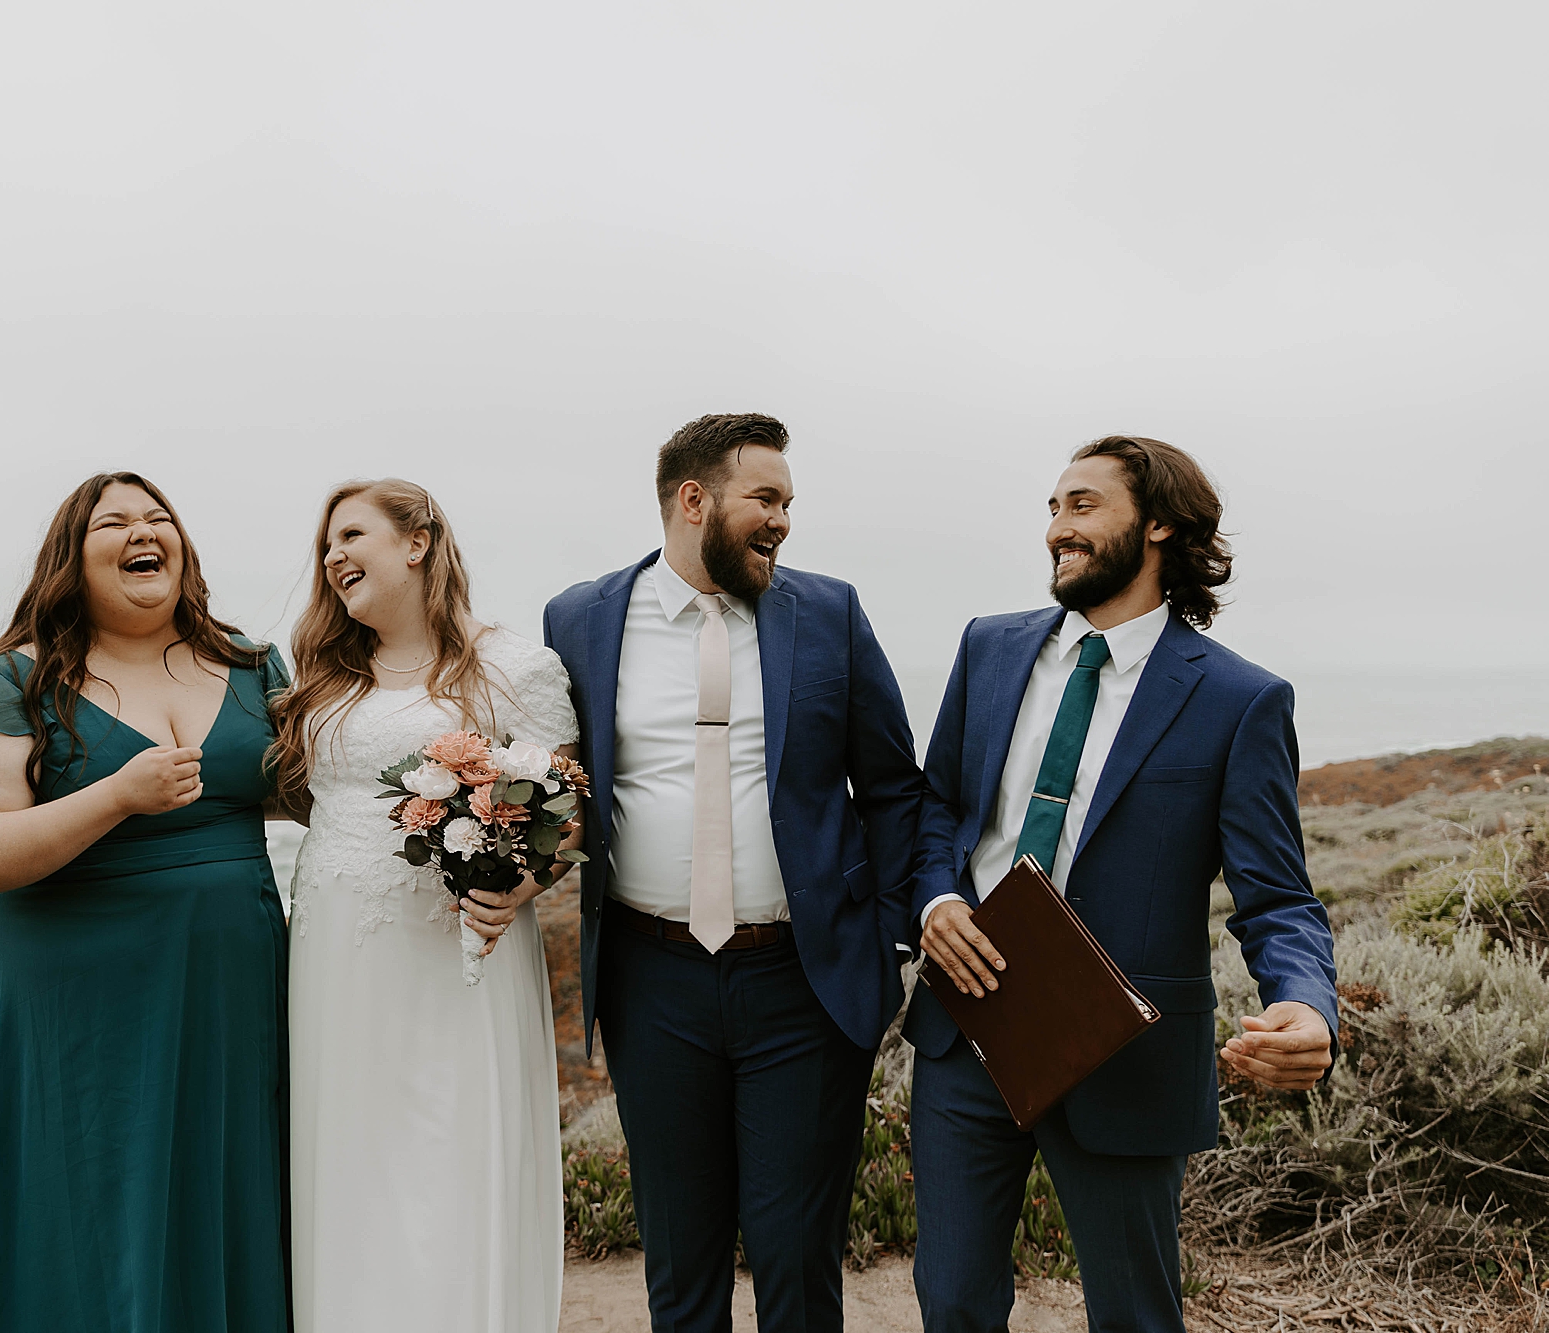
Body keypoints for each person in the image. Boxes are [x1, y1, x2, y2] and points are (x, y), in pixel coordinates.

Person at [909, 436, 1339, 1333]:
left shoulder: (1239, 699)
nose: (1057, 528)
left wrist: (1307, 1002)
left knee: (1135, 1316)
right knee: (950, 1301)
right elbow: (937, 807)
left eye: (1082, 506)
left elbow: (1278, 895)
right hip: (967, 1025)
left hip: (1122, 1047)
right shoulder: (989, 648)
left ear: (1158, 525)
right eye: (1054, 508)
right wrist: (938, 897)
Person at [0, 472, 291, 1333]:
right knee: (76, 1208)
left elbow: (309, 792)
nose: (144, 531)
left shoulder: (252, 663)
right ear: (73, 556)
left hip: (225, 989)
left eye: (158, 518)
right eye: (115, 522)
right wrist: (116, 795)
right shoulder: (11, 681)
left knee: (212, 1191)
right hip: (66, 1000)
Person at [543, 413, 924, 1332]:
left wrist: (889, 939)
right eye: (767, 498)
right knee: (681, 1263)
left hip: (804, 981)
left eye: (789, 501)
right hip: (650, 979)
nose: (784, 519)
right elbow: (558, 777)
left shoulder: (829, 612)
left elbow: (892, 788)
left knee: (798, 1261)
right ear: (693, 499)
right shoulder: (580, 618)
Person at [274, 478, 578, 1333]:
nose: (332, 555)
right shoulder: (327, 676)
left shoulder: (512, 666)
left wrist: (518, 886)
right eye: (327, 543)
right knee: (351, 1156)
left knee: (448, 1151)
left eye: (352, 534)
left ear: (417, 543)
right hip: (334, 952)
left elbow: (562, 805)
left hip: (455, 955)